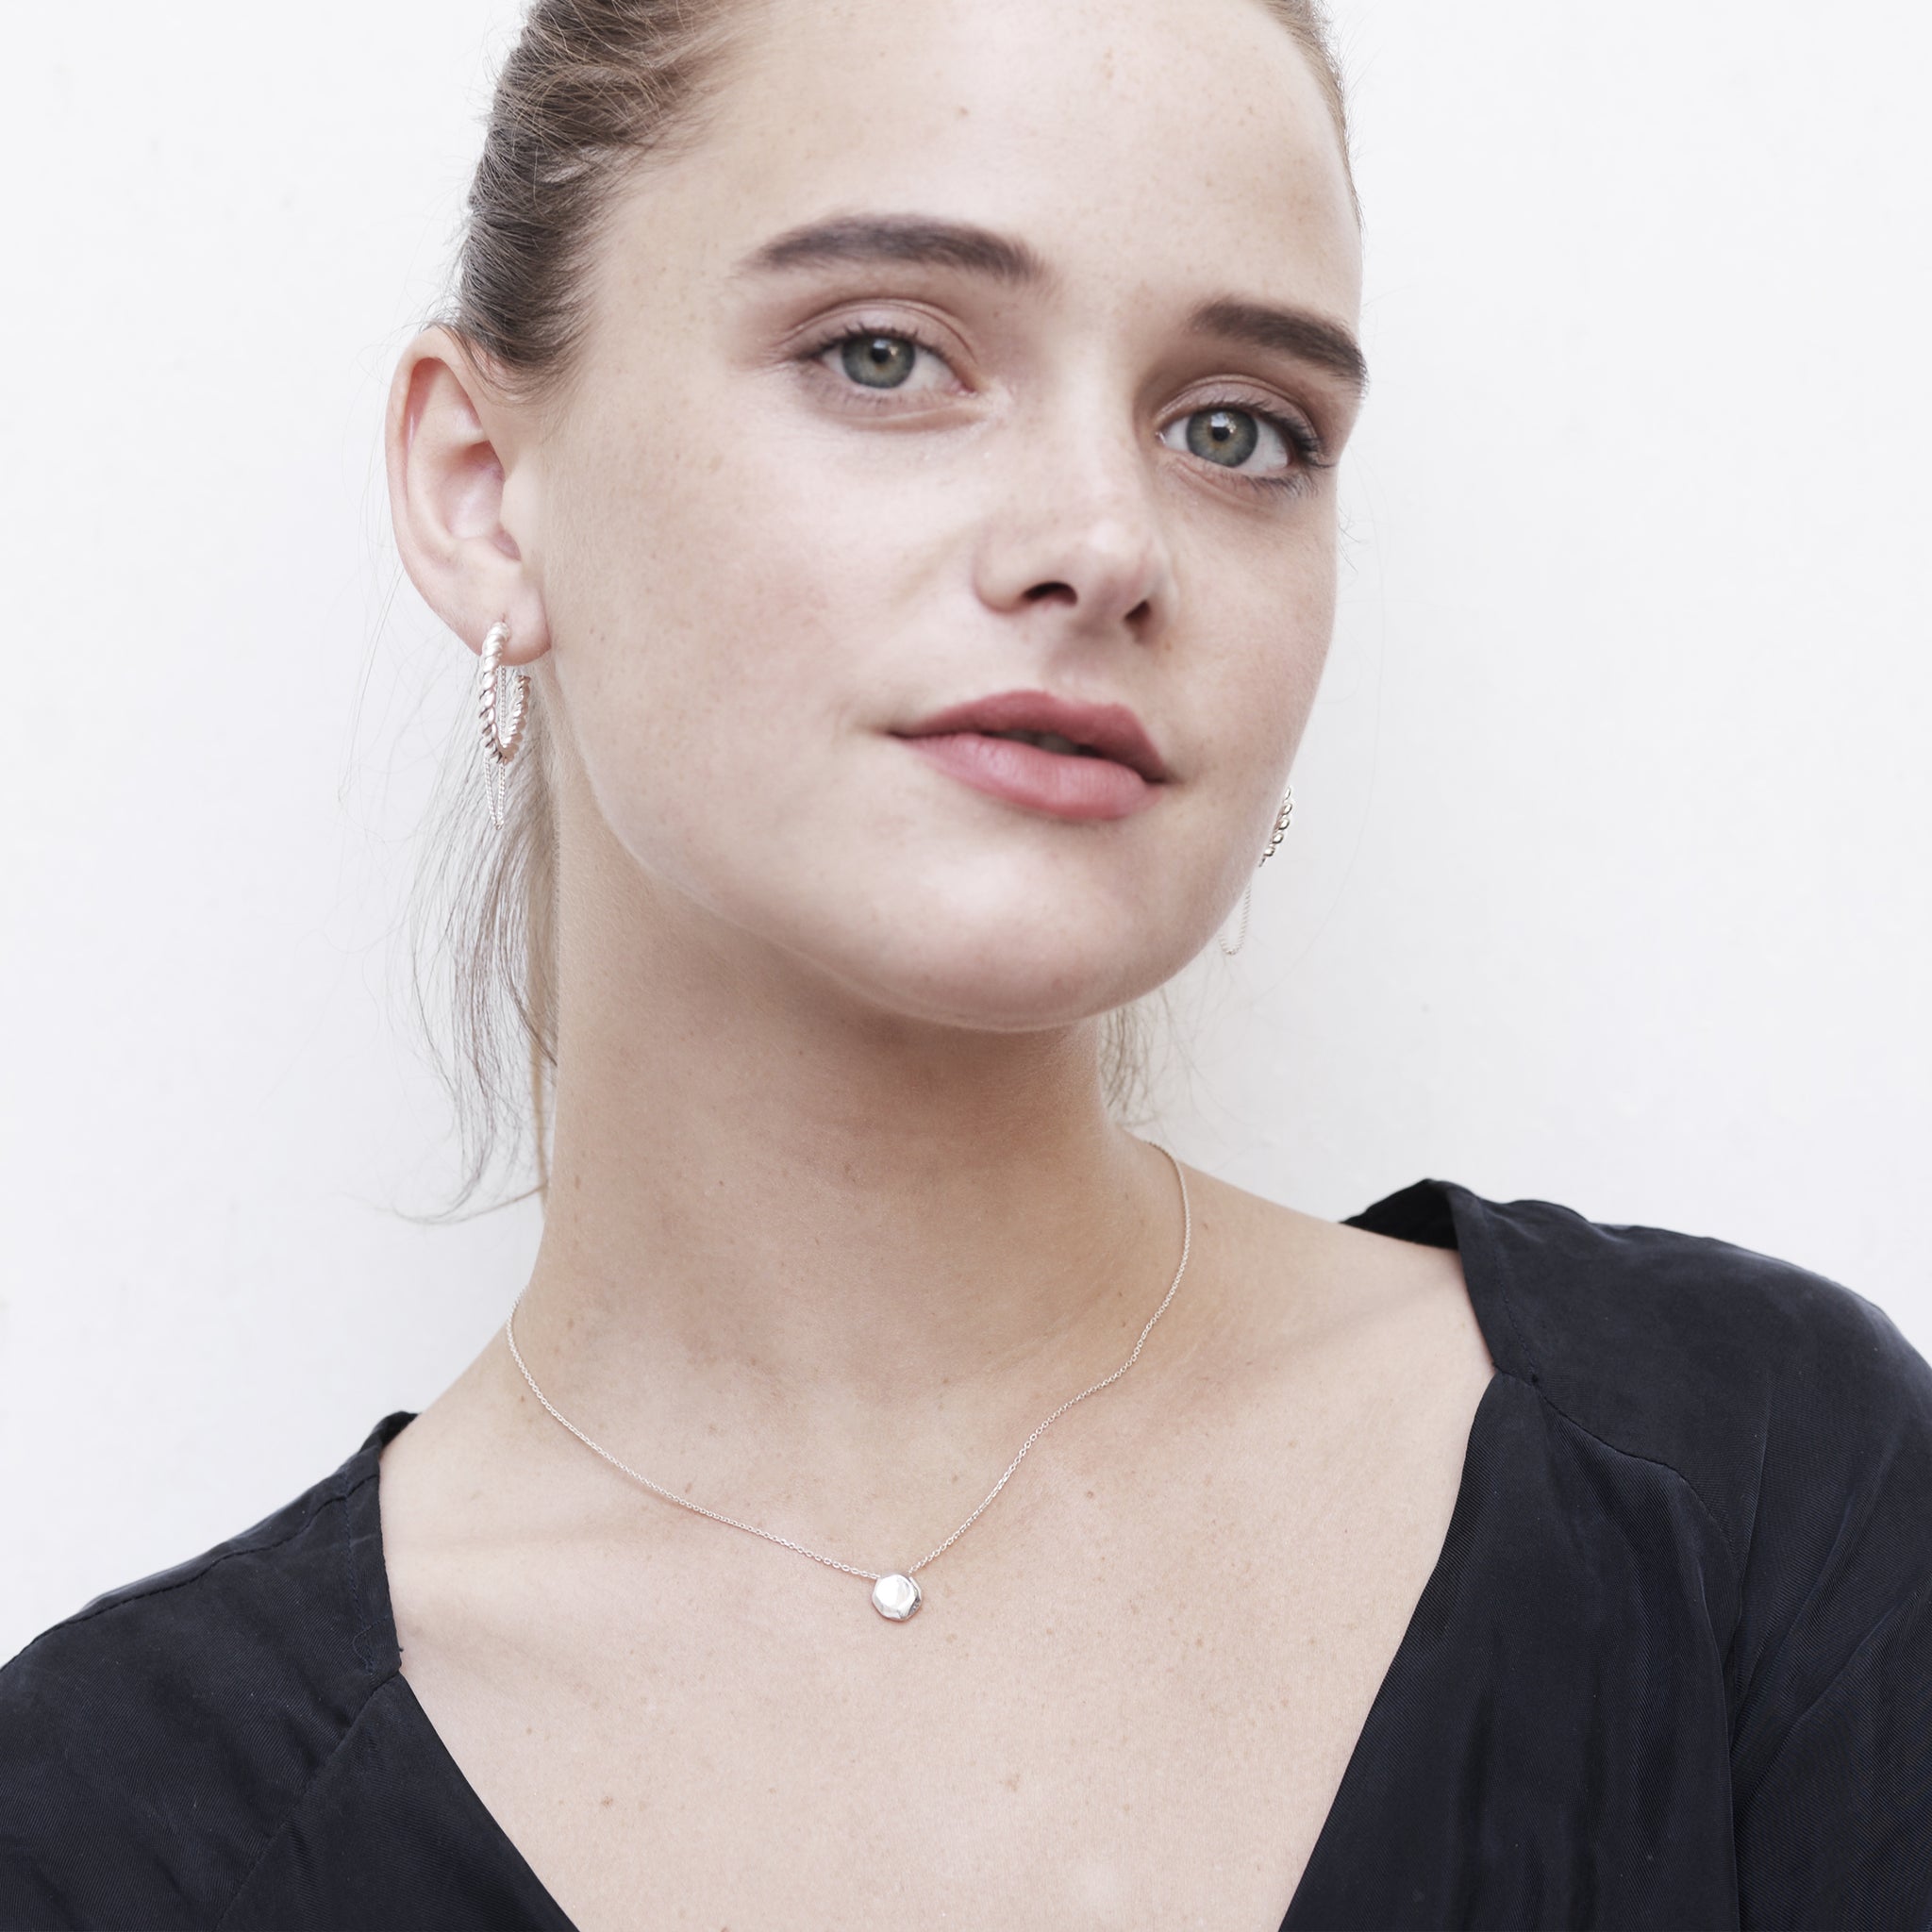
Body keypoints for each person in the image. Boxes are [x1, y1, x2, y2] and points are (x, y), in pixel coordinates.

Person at [3, 0, 1928, 1926]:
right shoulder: (103, 1839)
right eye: (887, 353)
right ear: (482, 489)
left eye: (1237, 429)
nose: (1105, 540)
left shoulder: (1753, 1498)